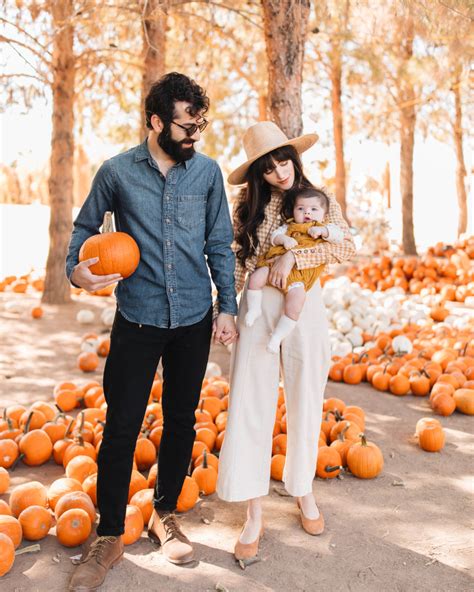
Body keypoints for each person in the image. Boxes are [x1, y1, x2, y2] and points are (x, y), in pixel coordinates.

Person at [65, 72, 238, 591]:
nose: (195, 136)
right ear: (157, 121)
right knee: (121, 425)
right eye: (186, 126)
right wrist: (79, 270)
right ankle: (110, 533)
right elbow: (82, 233)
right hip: (137, 317)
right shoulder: (116, 172)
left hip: (193, 318)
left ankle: (165, 512)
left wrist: (227, 306)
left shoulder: (207, 174)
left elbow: (220, 245)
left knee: (182, 418)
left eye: (200, 125)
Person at [216, 121, 356, 560]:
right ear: (258, 173)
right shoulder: (247, 210)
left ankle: (302, 489)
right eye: (269, 167)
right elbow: (238, 260)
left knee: (306, 395)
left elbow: (346, 247)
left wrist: (295, 255)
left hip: (304, 307)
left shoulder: (320, 200)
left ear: (294, 159)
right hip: (257, 309)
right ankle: (253, 509)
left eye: (284, 162)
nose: (280, 172)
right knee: (250, 402)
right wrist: (228, 312)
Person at [245, 185, 344, 352]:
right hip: (273, 265)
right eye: (301, 209)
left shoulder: (327, 227)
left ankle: (277, 337)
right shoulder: (288, 226)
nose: (307, 213)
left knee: (297, 301)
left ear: (324, 215)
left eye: (313, 209)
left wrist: (324, 231)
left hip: (299, 276)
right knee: (255, 279)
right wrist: (283, 239)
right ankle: (254, 309)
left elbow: (339, 237)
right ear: (293, 212)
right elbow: (274, 237)